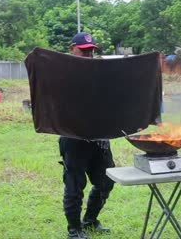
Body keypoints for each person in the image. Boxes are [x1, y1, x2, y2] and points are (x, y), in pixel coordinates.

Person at [59, 32, 115, 239]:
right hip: (74, 138)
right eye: (84, 51)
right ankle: (74, 229)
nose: (89, 54)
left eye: (91, 51)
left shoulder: (99, 73)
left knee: (107, 181)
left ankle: (90, 220)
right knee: (74, 185)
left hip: (100, 139)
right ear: (72, 48)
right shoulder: (62, 73)